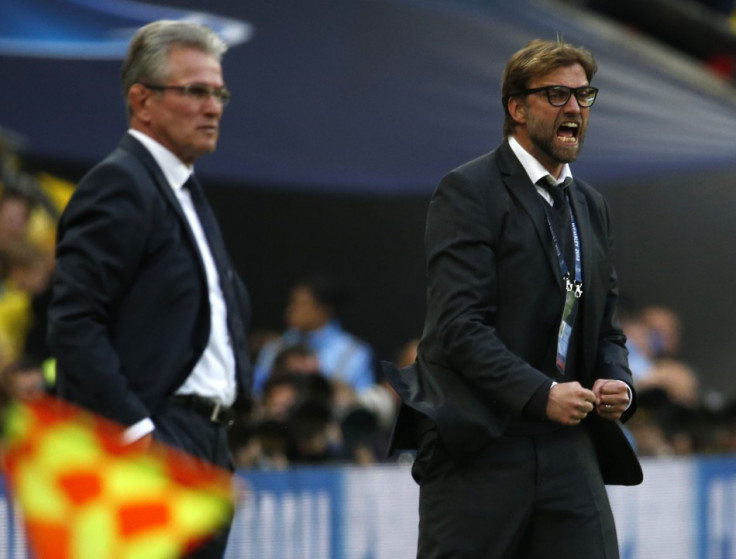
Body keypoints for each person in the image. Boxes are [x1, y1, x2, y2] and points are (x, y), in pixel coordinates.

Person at [384, 38, 642, 559]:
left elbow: (605, 326)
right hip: (481, 443)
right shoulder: (469, 190)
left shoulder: (591, 206)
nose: (574, 108)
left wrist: (619, 381)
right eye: (556, 95)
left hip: (569, 444)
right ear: (517, 108)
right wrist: (540, 391)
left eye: (583, 95)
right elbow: (458, 327)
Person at [46, 20, 251, 559]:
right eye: (196, 91)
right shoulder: (120, 184)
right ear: (143, 101)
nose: (214, 107)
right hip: (151, 444)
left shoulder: (183, 189)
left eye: (219, 93)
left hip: (202, 442)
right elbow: (73, 324)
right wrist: (138, 437)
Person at [254, 274, 376, 394]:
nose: (291, 309)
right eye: (291, 303)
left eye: (300, 304)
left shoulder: (353, 353)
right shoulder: (275, 348)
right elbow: (256, 392)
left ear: (323, 310)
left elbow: (363, 402)